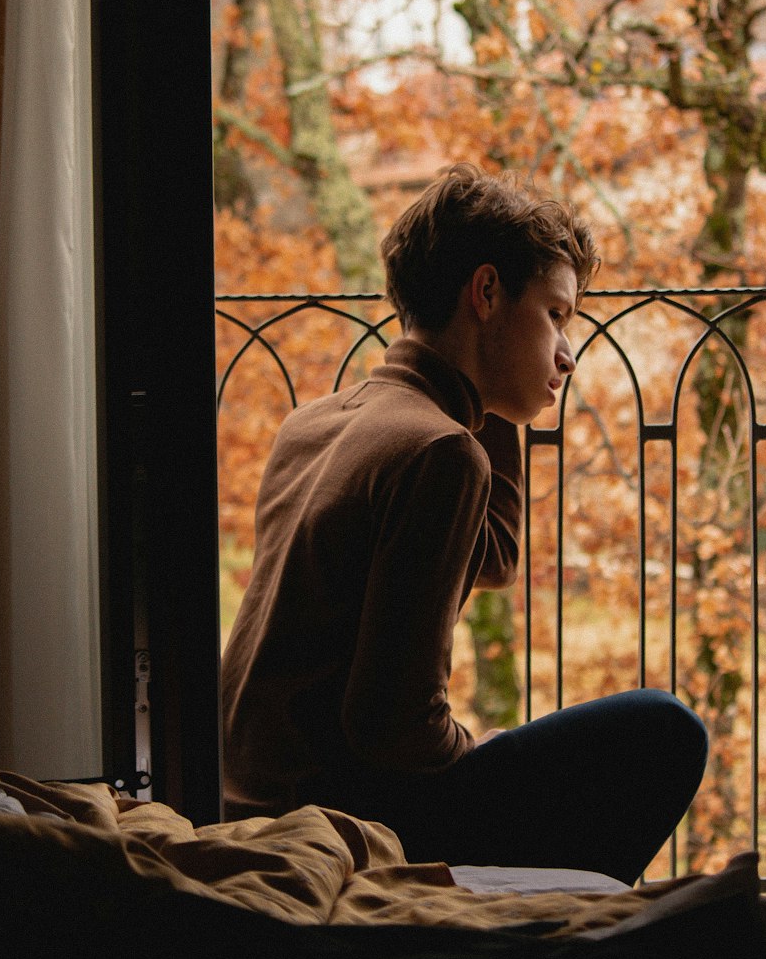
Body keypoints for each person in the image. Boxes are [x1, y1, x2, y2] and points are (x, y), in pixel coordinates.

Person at [221, 164, 707, 884]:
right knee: (664, 730)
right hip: (348, 815)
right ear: (486, 292)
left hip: (251, 803)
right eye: (556, 316)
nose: (568, 357)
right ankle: (533, 944)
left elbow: (498, 556)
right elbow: (391, 726)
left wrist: (490, 393)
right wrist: (474, 752)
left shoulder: (317, 422)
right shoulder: (440, 452)